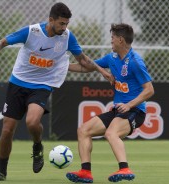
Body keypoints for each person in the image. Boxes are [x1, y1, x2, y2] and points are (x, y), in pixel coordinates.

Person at [0, 2, 114, 181]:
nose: (64, 27)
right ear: (51, 20)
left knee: (32, 122)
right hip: (18, 82)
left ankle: (37, 146)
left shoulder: (67, 37)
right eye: (61, 23)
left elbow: (82, 59)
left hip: (43, 85)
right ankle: (1, 172)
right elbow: (2, 42)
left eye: (66, 24)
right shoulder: (31, 32)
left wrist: (101, 70)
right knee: (7, 129)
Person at [66, 23, 154, 183]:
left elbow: (149, 90)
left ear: (121, 40)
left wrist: (129, 105)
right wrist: (62, 66)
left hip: (135, 111)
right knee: (84, 130)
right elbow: (87, 67)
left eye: (113, 38)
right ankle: (85, 172)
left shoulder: (135, 62)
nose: (111, 41)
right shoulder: (111, 58)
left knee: (111, 133)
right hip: (118, 110)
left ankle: (125, 169)